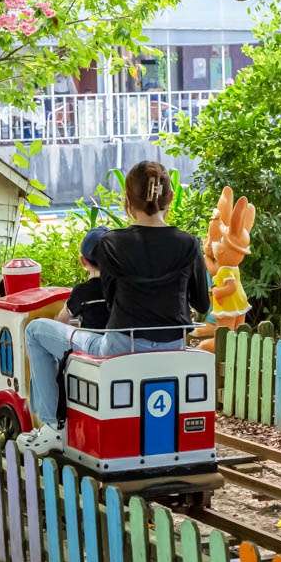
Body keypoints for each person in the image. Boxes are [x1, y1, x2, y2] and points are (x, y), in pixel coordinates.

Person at [17, 161, 210, 455]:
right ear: (169, 199)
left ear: (126, 200)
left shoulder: (111, 244)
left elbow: (111, 297)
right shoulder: (189, 244)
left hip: (120, 347)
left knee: (35, 331)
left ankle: (52, 428)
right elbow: (201, 304)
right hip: (173, 347)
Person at [53, 227, 111, 331]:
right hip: (125, 343)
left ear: (83, 261)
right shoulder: (123, 286)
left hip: (92, 343)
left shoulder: (81, 291)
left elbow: (62, 321)